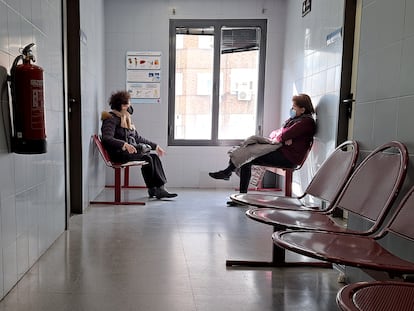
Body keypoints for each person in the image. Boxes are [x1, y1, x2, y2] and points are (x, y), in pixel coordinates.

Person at [209, 93, 316, 194]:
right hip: (282, 152)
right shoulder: (295, 120)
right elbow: (275, 134)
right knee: (247, 150)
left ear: (302, 109)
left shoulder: (306, 122)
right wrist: (283, 137)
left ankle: (233, 180)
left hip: (289, 158)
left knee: (248, 158)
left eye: (294, 107)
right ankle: (229, 174)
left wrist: (283, 136)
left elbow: (283, 135)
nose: (292, 109)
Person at [101, 91, 177, 199]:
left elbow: (138, 138)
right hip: (118, 154)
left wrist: (155, 146)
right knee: (147, 158)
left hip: (129, 152)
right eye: (129, 104)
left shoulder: (126, 120)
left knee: (153, 156)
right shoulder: (111, 119)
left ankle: (157, 189)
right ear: (123, 106)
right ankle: (155, 189)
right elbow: (106, 138)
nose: (130, 107)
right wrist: (124, 144)